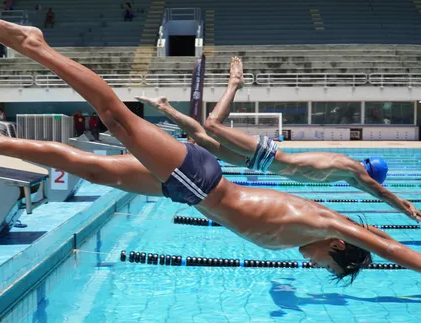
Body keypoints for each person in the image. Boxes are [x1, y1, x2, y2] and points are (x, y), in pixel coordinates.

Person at [0, 18, 421, 284]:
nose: (313, 264)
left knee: (92, 167)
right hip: (200, 182)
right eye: (326, 264)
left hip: (192, 188)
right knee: (116, 116)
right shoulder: (329, 226)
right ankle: (36, 45)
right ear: (338, 247)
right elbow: (392, 247)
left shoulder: (323, 225)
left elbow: (374, 230)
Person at [135, 58, 420, 222]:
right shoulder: (352, 168)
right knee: (212, 124)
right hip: (270, 157)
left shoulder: (347, 173)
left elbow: (373, 191)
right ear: (370, 173)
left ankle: (165, 106)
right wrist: (405, 205)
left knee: (200, 138)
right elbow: (379, 193)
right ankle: (236, 83)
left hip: (261, 164)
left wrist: (401, 204)